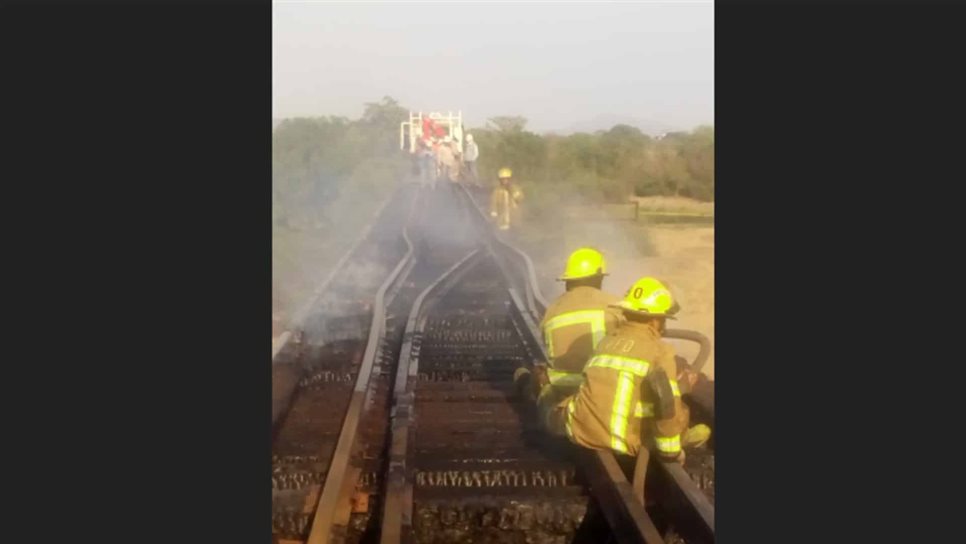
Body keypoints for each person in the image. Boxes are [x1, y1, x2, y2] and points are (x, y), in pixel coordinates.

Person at [547, 277, 690, 463]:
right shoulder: (660, 351)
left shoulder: (606, 342)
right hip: (622, 441)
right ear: (655, 321)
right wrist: (671, 452)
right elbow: (666, 405)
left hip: (581, 430)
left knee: (550, 402)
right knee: (682, 411)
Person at [514, 248, 625, 433]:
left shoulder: (552, 311)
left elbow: (548, 347)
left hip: (565, 394)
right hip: (607, 392)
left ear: (567, 282)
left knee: (535, 378)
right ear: (599, 278)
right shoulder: (615, 305)